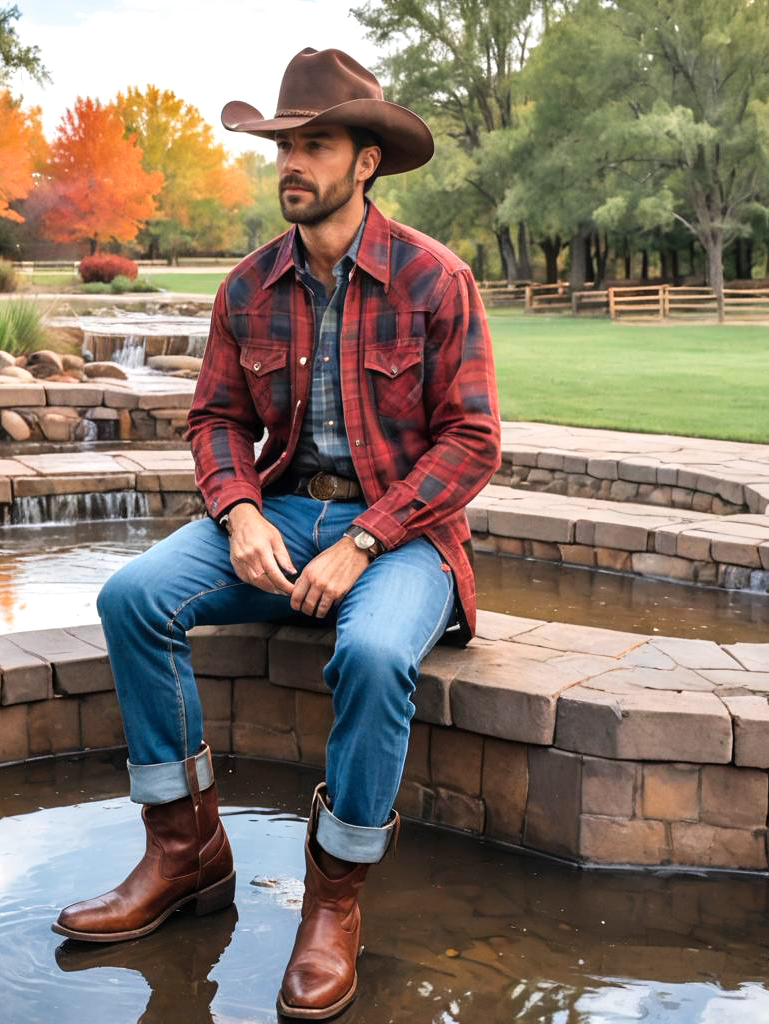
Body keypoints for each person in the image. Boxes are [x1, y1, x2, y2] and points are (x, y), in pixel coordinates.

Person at [52, 46, 501, 1020]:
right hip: (282, 506)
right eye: (282, 146)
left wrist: (366, 540)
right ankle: (184, 849)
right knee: (132, 596)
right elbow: (214, 420)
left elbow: (471, 443)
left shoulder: (435, 280)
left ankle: (333, 898)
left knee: (377, 651)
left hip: (406, 532)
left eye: (313, 144)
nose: (290, 162)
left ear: (365, 160)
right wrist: (241, 510)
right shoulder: (247, 286)